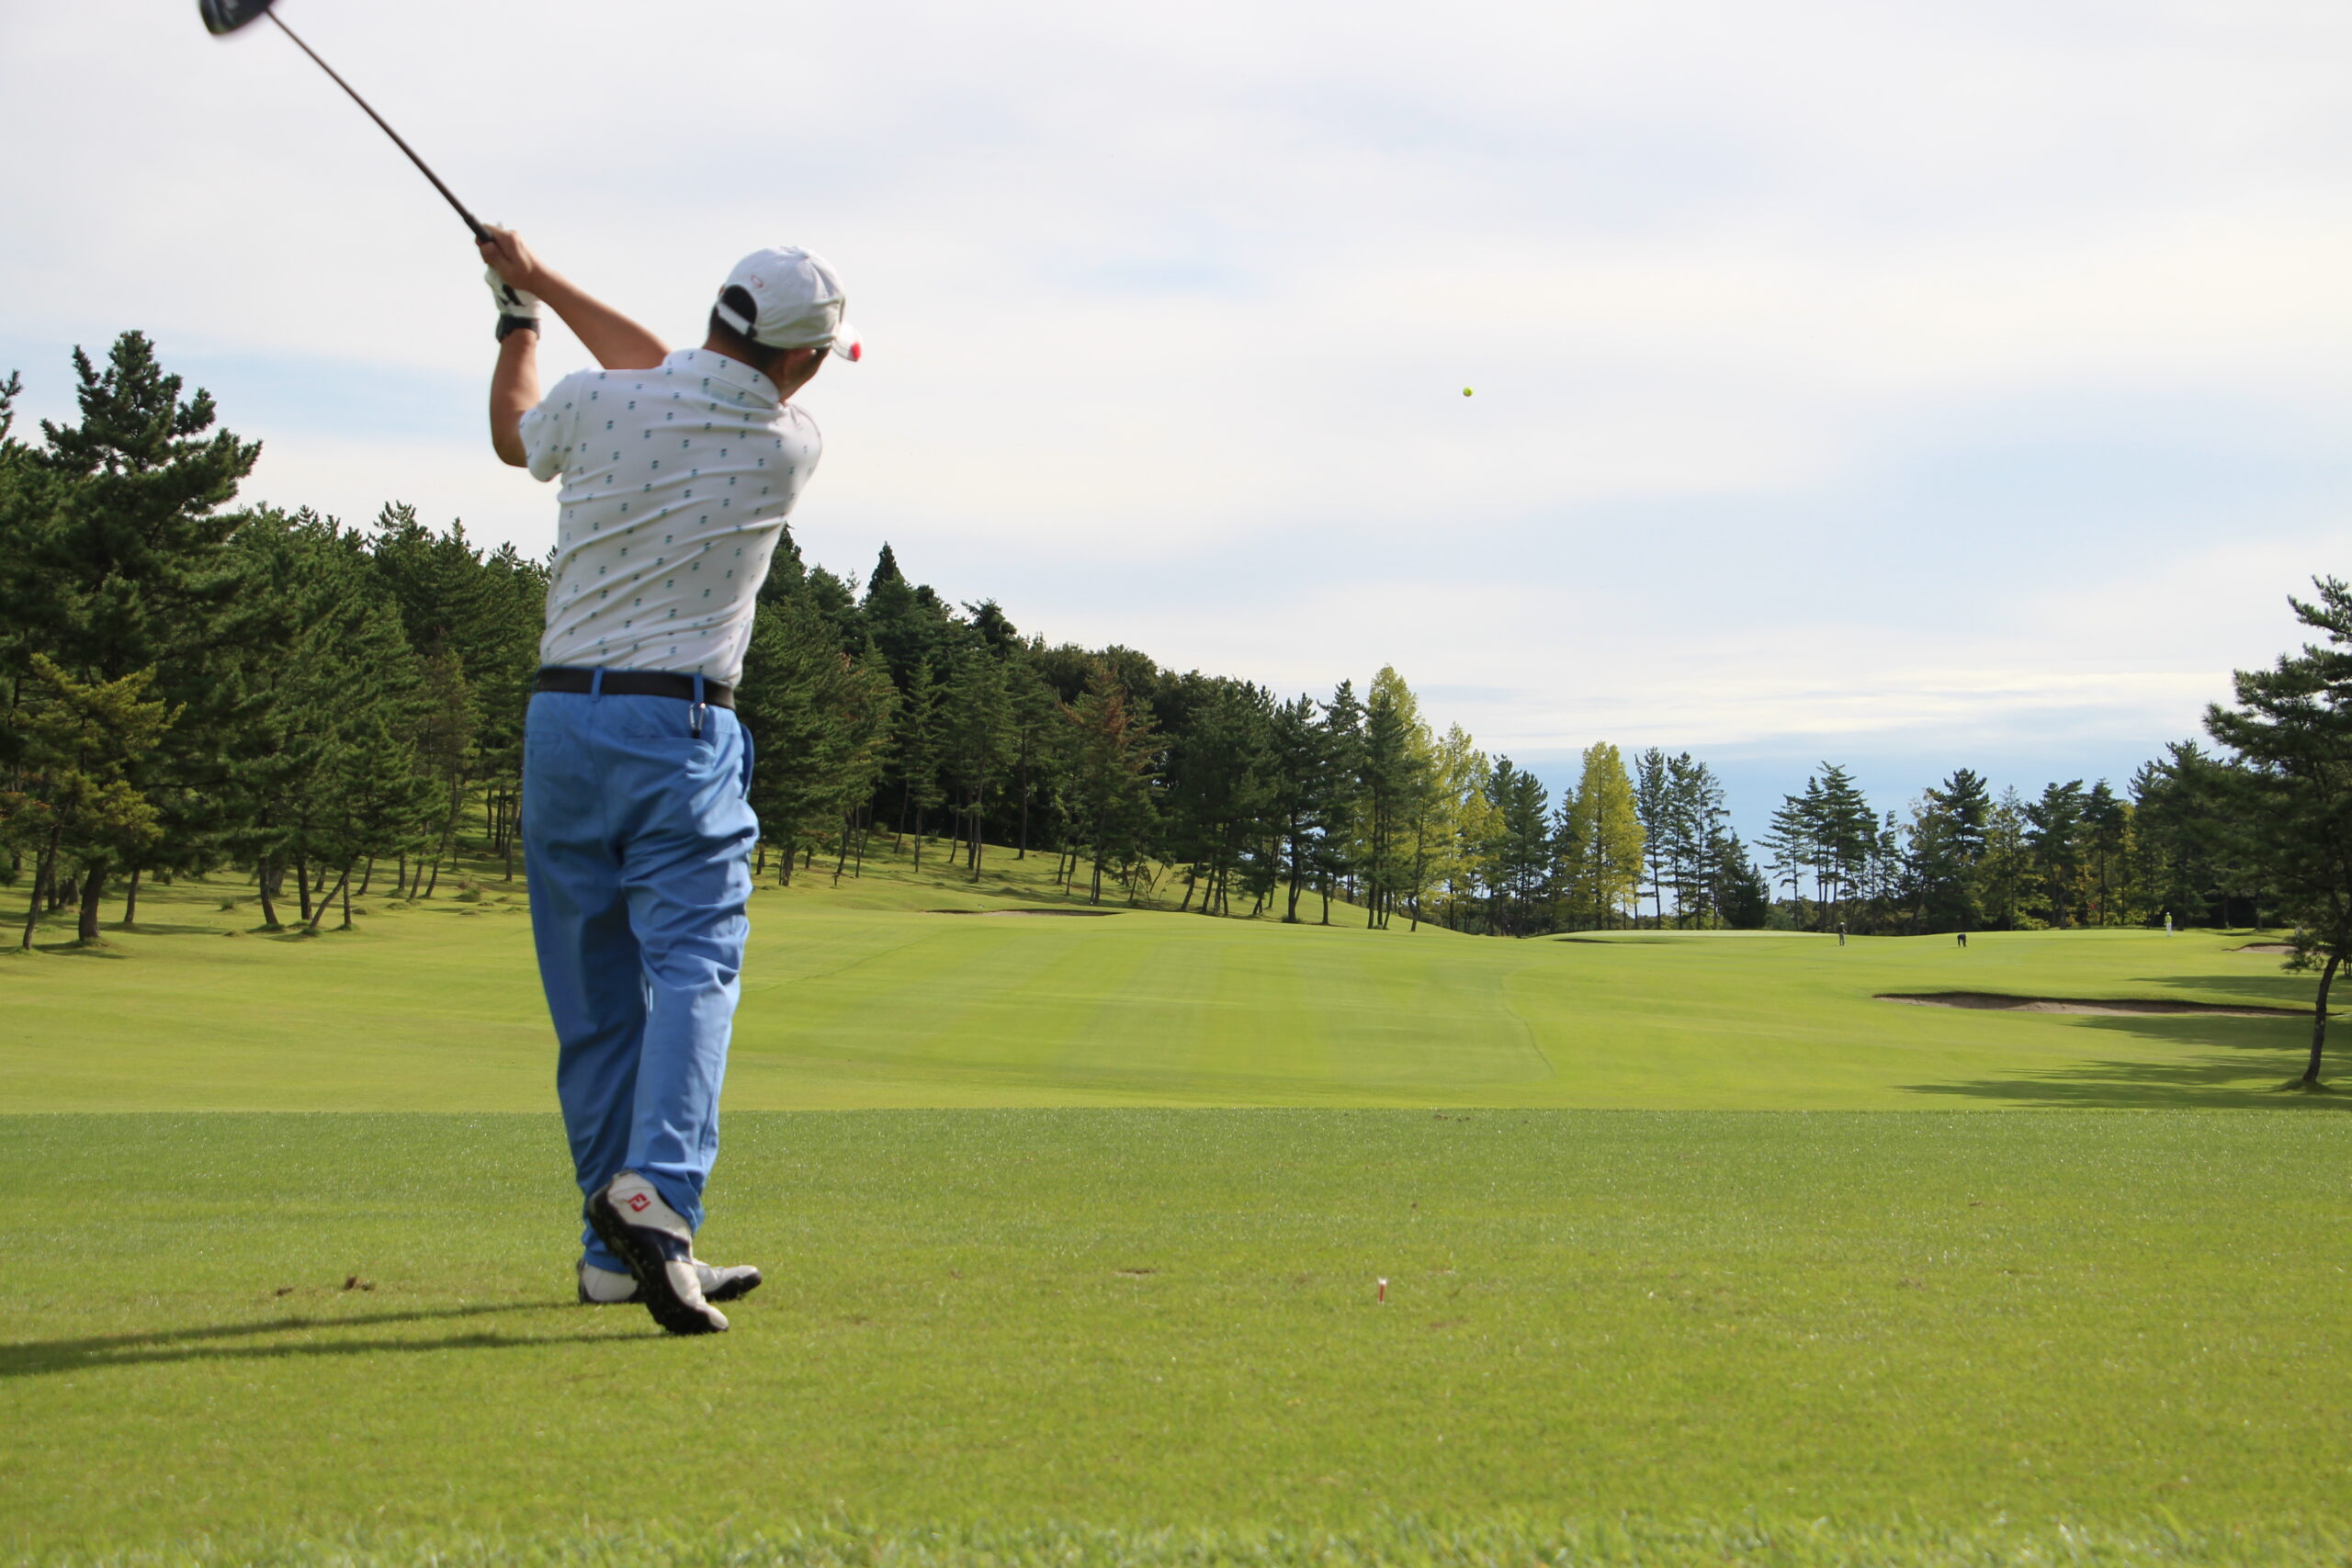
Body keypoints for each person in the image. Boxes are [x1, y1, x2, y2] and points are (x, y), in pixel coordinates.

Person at [481, 228, 861, 1335]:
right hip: (678, 729)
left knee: (595, 1003)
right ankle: (662, 1203)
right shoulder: (788, 441)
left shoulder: (602, 403)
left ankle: (612, 1254)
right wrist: (537, 281)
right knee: (695, 967)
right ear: (800, 362)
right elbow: (672, 369)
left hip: (560, 722)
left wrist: (520, 316)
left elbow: (519, 432)